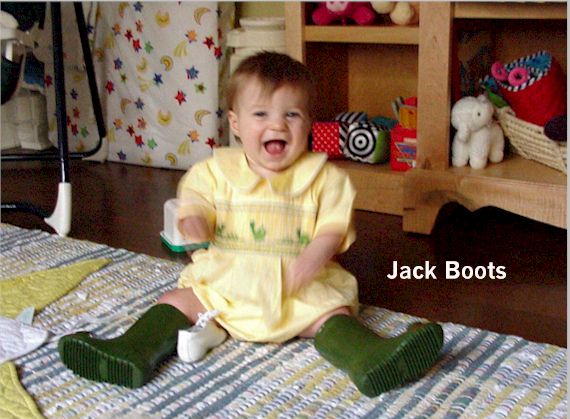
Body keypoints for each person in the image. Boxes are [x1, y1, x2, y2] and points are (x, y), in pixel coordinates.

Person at [58, 52, 444, 397]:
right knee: (175, 301)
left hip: (297, 290)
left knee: (332, 313)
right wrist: (195, 221)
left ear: (309, 123)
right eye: (261, 114)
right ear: (236, 123)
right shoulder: (214, 172)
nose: (278, 125)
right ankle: (132, 351)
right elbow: (195, 200)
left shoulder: (324, 178)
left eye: (291, 114)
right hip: (224, 287)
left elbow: (333, 226)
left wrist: (315, 255)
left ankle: (368, 357)